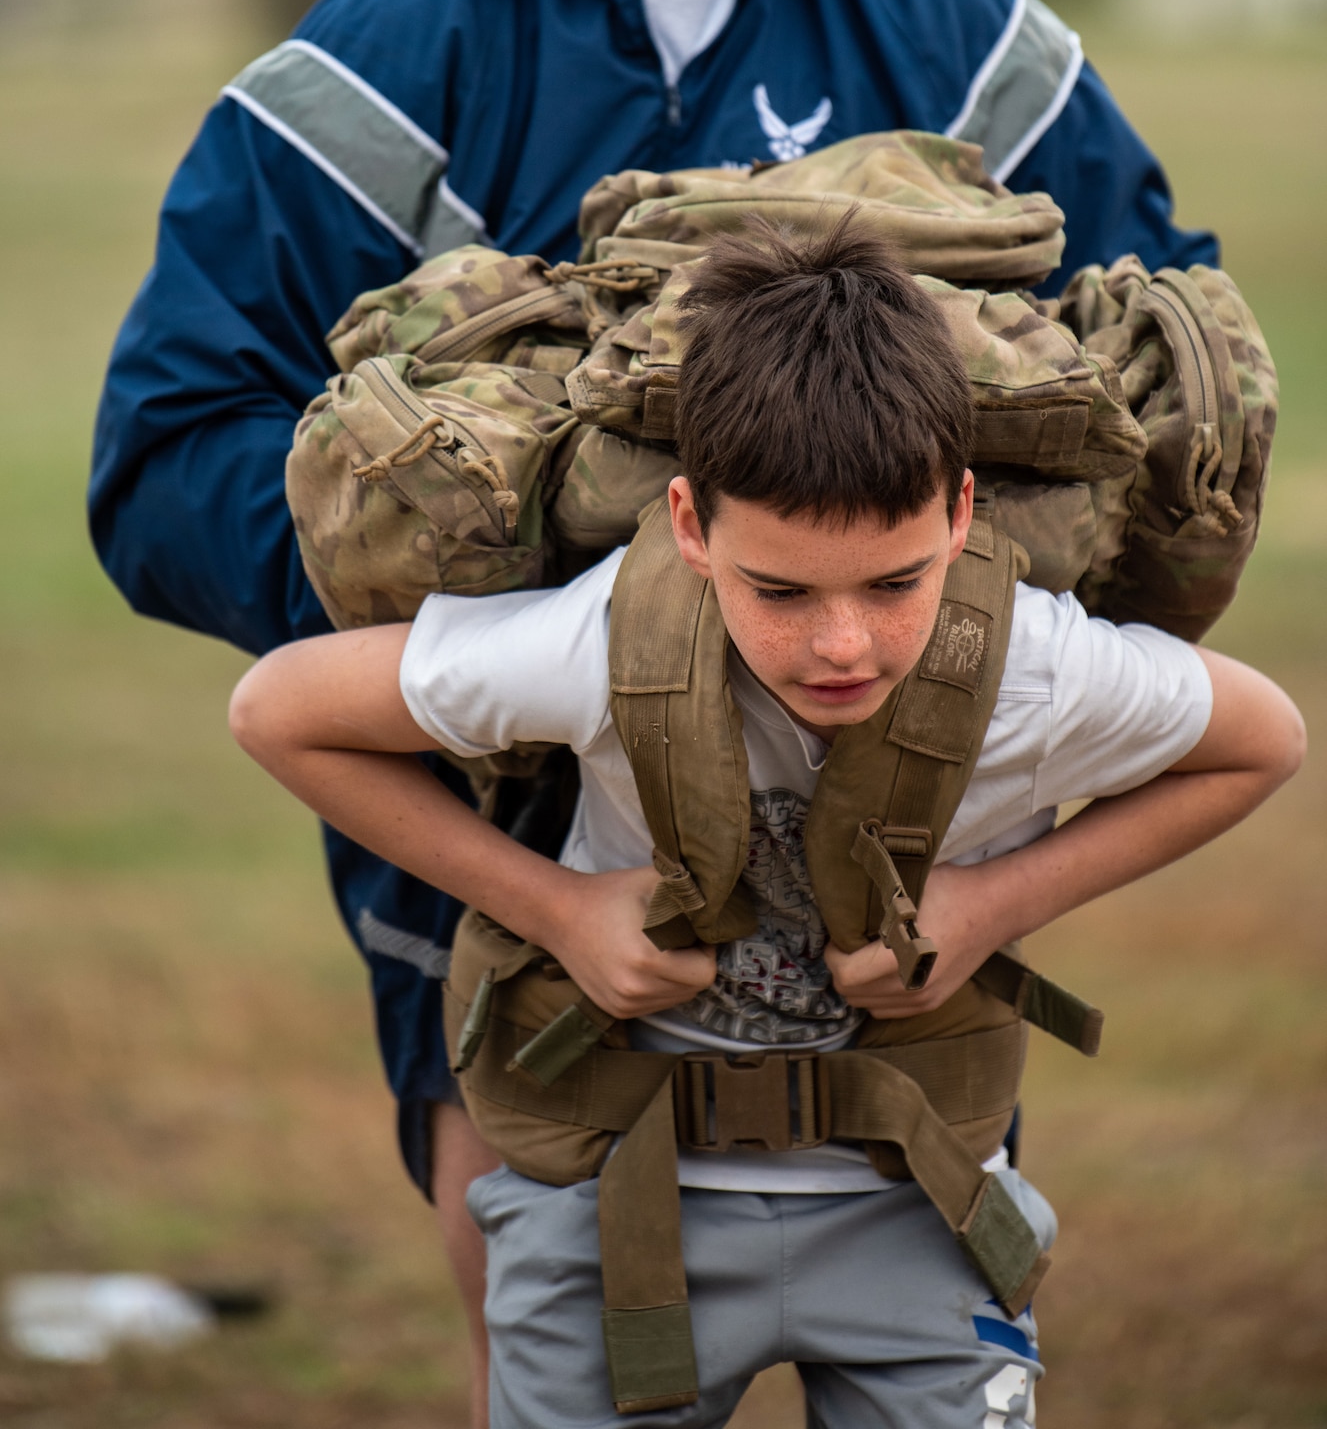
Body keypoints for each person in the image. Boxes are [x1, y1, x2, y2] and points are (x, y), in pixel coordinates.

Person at [88, 0, 1220, 1418]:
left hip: (895, 907)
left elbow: (1172, 382)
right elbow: (157, 457)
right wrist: (547, 579)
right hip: (509, 909)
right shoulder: (380, 69)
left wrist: (973, 595)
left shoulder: (961, 38)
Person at [227, 221, 1303, 1429]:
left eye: (894, 584)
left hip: (919, 1200)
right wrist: (559, 910)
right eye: (779, 590)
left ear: (957, 515)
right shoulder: (609, 637)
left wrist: (996, 902)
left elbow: (1264, 739)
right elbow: (278, 710)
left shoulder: (1034, 664)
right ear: (691, 527)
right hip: (616, 1199)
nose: (839, 644)